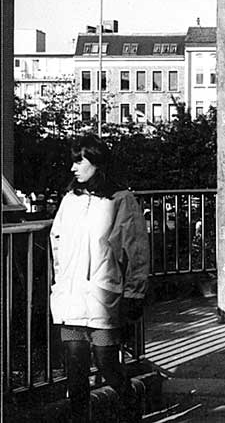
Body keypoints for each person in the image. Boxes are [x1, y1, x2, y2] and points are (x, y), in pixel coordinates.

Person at [50, 134, 149, 422]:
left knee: (107, 362)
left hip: (102, 297)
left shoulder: (121, 200)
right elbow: (57, 242)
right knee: (75, 369)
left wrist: (134, 292)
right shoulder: (70, 199)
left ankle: (130, 408)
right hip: (70, 299)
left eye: (79, 161)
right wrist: (60, 280)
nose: (73, 168)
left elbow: (136, 249)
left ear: (97, 162)